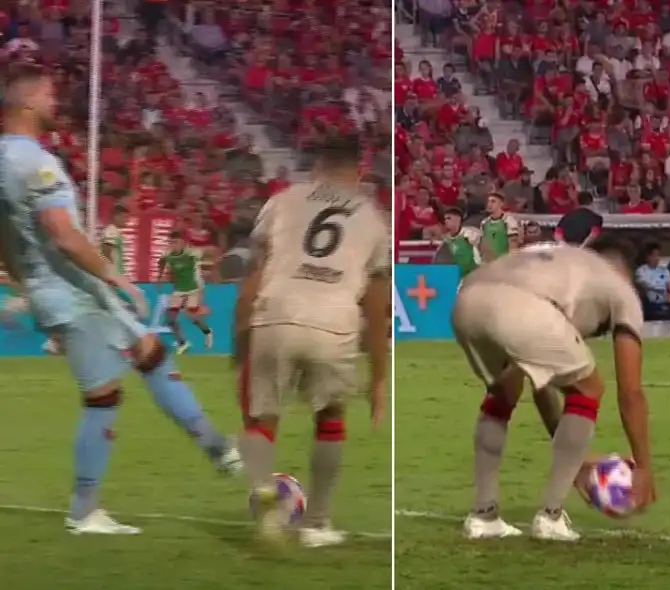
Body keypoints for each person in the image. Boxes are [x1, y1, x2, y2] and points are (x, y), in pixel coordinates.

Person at [0, 64, 241, 535]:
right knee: (103, 396)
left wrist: (25, 283)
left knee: (150, 352)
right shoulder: (34, 163)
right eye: (49, 94)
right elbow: (65, 236)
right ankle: (85, 510)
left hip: (61, 291)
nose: (55, 102)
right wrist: (115, 275)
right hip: (74, 293)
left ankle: (216, 446)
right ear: (28, 103)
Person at [233, 134, 390, 548]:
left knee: (260, 418)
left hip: (276, 311)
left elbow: (254, 274)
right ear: (359, 173)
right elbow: (377, 303)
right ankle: (318, 524)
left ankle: (265, 498)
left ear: (317, 168)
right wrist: (378, 376)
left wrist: (240, 335)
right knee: (331, 418)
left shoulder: (284, 201)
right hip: (334, 318)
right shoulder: (373, 219)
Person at [452, 237, 656, 542]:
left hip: (466, 300)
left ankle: (484, 516)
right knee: (590, 388)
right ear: (627, 272)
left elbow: (542, 385)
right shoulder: (620, 288)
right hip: (522, 306)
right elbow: (630, 393)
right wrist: (644, 467)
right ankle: (551, 516)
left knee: (504, 393)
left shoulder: (561, 262)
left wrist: (575, 463)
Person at [157, 231, 213, 354]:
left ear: (182, 243)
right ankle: (183, 343)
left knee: (192, 316)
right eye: (170, 242)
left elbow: (205, 256)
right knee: (171, 320)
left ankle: (207, 332)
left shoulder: (191, 253)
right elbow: (161, 262)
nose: (173, 245)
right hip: (179, 290)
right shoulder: (168, 255)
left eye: (175, 242)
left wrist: (208, 270)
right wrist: (160, 277)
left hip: (193, 289)